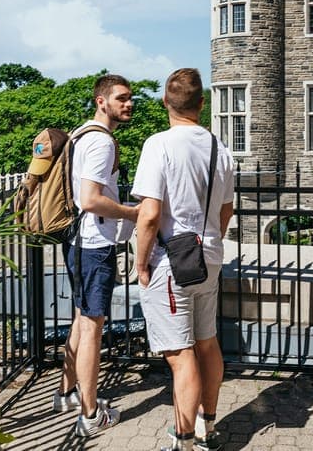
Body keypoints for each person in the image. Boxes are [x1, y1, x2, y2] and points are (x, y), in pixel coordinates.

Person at [132, 68, 235, 451]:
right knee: (207, 342)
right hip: (208, 255)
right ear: (201, 105)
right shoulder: (219, 149)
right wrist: (210, 241)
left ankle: (184, 439)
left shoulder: (158, 144)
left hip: (171, 259)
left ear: (165, 102)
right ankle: (209, 426)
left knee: (180, 354)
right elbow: (226, 211)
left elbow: (149, 215)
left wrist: (141, 265)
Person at [52, 74, 138, 438]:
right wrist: (133, 213)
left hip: (76, 240)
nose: (128, 103)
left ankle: (66, 393)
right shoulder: (101, 143)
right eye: (121, 98)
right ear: (101, 101)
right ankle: (89, 415)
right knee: (92, 328)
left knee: (80, 318)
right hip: (93, 244)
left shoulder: (80, 132)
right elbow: (90, 199)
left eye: (130, 98)